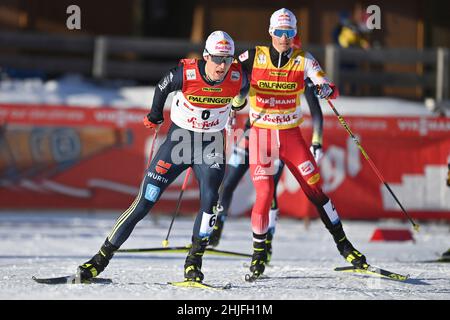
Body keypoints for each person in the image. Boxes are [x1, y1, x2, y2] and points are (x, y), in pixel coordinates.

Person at [77, 31, 249, 283]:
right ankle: (99, 260)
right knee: (145, 200)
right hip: (179, 141)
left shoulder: (237, 76)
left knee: (211, 200)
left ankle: (194, 263)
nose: (221, 65)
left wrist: (237, 104)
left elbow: (244, 89)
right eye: (216, 59)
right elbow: (162, 86)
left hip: (211, 143)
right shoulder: (187, 73)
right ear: (205, 56)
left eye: (227, 59)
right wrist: (154, 115)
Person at [240, 8, 368, 279]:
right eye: (280, 32)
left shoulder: (304, 59)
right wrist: (233, 97)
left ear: (295, 34)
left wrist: (326, 89)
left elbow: (329, 86)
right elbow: (226, 74)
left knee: (316, 191)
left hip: (290, 136)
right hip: (262, 136)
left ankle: (345, 246)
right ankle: (258, 254)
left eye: (290, 33)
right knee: (264, 194)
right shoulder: (254, 56)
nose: (284, 38)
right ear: (271, 32)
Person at [209, 77, 325, 266]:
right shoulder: (262, 70)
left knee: (267, 193)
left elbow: (316, 112)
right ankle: (216, 228)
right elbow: (241, 88)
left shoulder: (298, 75)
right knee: (228, 182)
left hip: (276, 143)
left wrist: (316, 140)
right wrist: (232, 104)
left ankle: (267, 243)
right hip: (250, 136)